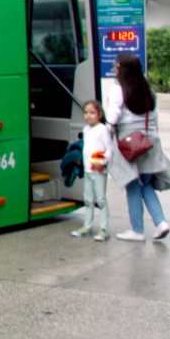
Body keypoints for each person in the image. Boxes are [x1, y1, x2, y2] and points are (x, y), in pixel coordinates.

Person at [106, 52, 170, 242]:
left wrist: (105, 137)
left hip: (128, 143)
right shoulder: (149, 90)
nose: (114, 68)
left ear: (120, 68)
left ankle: (137, 230)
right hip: (148, 140)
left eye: (115, 65)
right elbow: (155, 118)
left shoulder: (118, 90)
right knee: (145, 184)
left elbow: (112, 118)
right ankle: (161, 223)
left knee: (133, 186)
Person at [72, 100, 113, 242]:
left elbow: (109, 149)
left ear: (100, 114)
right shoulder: (86, 129)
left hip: (99, 171)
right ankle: (87, 226)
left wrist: (100, 162)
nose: (88, 116)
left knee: (101, 200)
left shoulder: (102, 129)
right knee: (88, 199)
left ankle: (104, 229)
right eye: (86, 112)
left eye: (92, 113)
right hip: (88, 170)